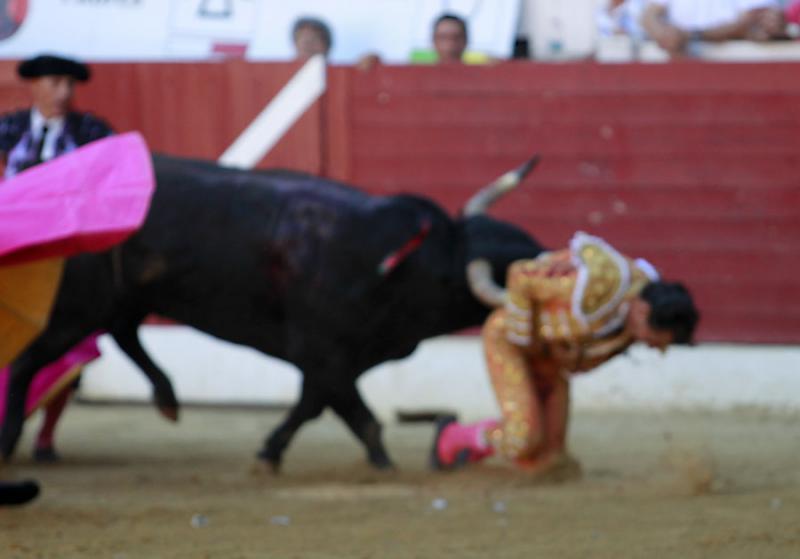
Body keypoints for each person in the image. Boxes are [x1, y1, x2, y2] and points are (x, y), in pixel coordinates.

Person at [431, 232, 700, 476]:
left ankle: (490, 446)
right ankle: (452, 437)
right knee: (521, 438)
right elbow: (520, 275)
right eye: (655, 340)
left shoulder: (634, 317)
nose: (655, 348)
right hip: (511, 342)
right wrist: (524, 342)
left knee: (552, 463)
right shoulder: (597, 284)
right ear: (642, 311)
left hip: (549, 359)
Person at [0, 53, 113, 461]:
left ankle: (46, 435)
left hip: (70, 261)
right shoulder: (8, 129)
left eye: (69, 84)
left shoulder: (92, 132)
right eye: (54, 83)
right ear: (35, 86)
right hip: (15, 256)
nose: (63, 93)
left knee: (66, 346)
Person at [640, 0, 787, 57]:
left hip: (735, 66)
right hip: (679, 58)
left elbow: (752, 19)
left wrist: (690, 36)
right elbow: (648, 16)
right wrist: (664, 35)